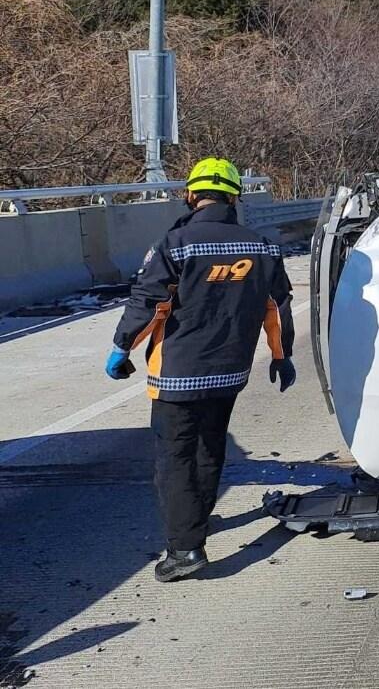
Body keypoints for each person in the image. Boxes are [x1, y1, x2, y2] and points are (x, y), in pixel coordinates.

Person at [105, 157, 296, 582]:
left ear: (191, 195)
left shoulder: (175, 244)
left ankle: (185, 549)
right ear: (234, 198)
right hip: (230, 372)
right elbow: (277, 307)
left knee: (175, 459)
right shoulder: (262, 246)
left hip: (177, 373)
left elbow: (149, 303)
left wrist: (122, 346)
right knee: (210, 448)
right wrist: (281, 355)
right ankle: (197, 519)